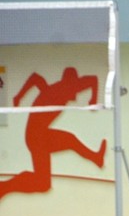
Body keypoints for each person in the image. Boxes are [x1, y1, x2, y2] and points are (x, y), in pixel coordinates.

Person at [0, 67, 106, 201]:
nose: (76, 93)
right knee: (69, 142)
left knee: (44, 182)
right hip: (37, 137)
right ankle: (5, 187)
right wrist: (93, 100)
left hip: (38, 135)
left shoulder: (51, 89)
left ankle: (4, 187)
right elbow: (92, 80)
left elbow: (35, 78)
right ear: (71, 83)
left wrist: (19, 96)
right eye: (75, 87)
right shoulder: (65, 89)